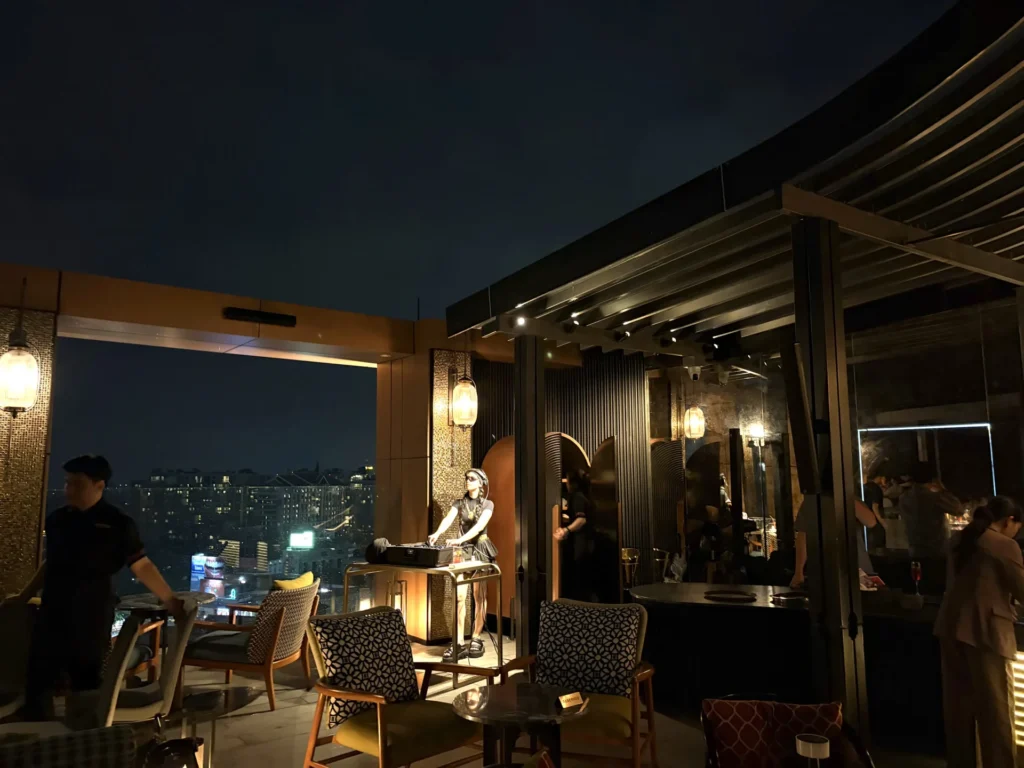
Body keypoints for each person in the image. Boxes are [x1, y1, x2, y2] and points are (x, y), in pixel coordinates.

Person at [7, 455, 184, 720]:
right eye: (67, 483)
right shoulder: (58, 520)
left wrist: (168, 599)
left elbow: (140, 565)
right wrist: (25, 595)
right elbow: (51, 563)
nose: (69, 490)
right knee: (39, 678)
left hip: (92, 614)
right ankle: (38, 730)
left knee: (86, 684)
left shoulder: (117, 524)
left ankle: (84, 733)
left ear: (99, 486)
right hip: (53, 611)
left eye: (77, 484)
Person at [934, 496, 1024, 767]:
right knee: (996, 714)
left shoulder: (960, 540)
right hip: (986, 633)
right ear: (1009, 521)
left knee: (959, 712)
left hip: (950, 628)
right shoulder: (1003, 544)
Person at [428, 468, 497, 661]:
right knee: (459, 596)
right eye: (466, 478)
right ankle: (458, 641)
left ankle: (476, 636)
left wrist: (460, 539)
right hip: (461, 551)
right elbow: (448, 519)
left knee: (479, 595)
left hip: (479, 549)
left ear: (481, 483)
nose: (468, 481)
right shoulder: (459, 503)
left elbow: (479, 526)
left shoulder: (488, 504)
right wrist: (438, 533)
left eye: (472, 478)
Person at [791, 494, 878, 588]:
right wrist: (798, 572)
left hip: (858, 568)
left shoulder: (849, 497)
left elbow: (871, 522)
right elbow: (803, 537)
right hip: (828, 570)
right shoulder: (811, 502)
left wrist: (845, 497)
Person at [901, 462, 961, 559]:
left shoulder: (904, 498)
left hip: (914, 549)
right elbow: (958, 510)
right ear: (932, 480)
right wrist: (942, 489)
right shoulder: (934, 497)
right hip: (936, 550)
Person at [554, 469, 595, 601]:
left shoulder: (577, 497)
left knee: (579, 579)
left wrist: (566, 530)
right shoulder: (585, 496)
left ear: (572, 483)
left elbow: (581, 520)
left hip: (581, 544)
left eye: (567, 480)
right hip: (587, 543)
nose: (566, 483)